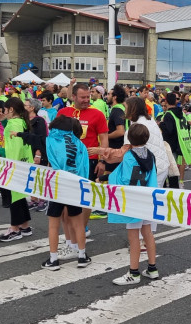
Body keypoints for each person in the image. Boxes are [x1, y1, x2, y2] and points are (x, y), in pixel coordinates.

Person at [107, 124, 161, 285]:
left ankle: (134, 272)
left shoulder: (129, 155)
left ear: (129, 139)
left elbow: (124, 179)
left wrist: (106, 180)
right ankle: (152, 268)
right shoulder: (150, 155)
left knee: (134, 238)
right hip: (146, 198)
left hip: (132, 200)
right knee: (148, 234)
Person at [41, 115, 92, 270]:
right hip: (75, 186)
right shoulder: (80, 144)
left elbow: (49, 161)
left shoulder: (51, 141)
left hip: (57, 185)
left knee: (53, 225)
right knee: (77, 223)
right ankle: (82, 256)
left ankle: (53, 259)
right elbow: (85, 167)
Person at [58, 83, 108, 223]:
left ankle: (83, 228)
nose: (87, 100)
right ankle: (70, 231)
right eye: (83, 97)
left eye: (88, 97)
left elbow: (104, 139)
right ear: (73, 96)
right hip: (66, 162)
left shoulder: (97, 114)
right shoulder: (63, 113)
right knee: (66, 196)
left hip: (88, 161)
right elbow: (55, 138)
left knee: (85, 197)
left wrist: (102, 161)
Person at [0, 98, 34, 242]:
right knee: (19, 195)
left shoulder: (15, 123)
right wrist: (3, 120)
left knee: (14, 197)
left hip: (15, 165)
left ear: (11, 109)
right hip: (24, 163)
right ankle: (25, 225)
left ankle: (15, 228)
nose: (3, 112)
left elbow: (13, 148)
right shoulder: (21, 121)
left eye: (4, 110)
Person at [161, 92, 191, 188]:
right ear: (176, 101)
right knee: (174, 170)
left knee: (169, 171)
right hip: (180, 144)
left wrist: (161, 124)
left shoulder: (168, 114)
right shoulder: (181, 113)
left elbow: (169, 130)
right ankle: (175, 188)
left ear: (166, 101)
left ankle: (171, 190)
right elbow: (186, 125)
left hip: (170, 145)